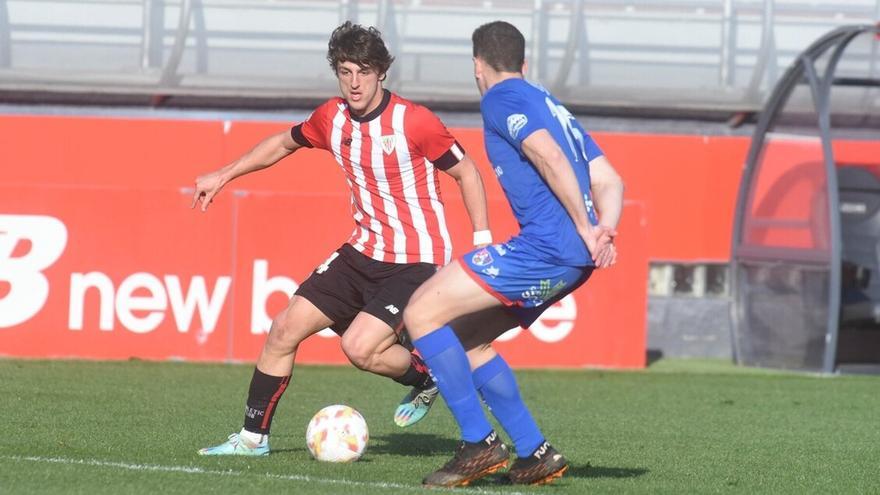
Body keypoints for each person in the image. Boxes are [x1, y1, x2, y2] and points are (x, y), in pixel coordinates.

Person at [193, 21, 492, 456]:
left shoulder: (414, 122)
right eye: (346, 71)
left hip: (417, 259)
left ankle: (427, 372)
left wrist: (481, 239)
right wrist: (224, 174)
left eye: (364, 72)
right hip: (361, 251)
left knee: (358, 348)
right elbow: (283, 143)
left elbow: (466, 171)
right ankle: (252, 439)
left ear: (382, 73)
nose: (354, 82)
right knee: (283, 329)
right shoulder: (331, 118)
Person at [402, 20, 624, 487]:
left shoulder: (500, 98)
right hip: (574, 259)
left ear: (477, 65)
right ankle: (534, 452)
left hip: (545, 248)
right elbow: (609, 178)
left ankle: (477, 444)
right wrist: (606, 229)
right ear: (524, 63)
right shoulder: (551, 103)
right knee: (467, 337)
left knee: (421, 311)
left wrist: (586, 228)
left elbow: (548, 157)